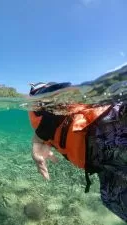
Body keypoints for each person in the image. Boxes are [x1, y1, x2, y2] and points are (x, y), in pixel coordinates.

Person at [27, 82, 127, 222]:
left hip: (105, 125)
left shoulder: (40, 100)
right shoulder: (39, 118)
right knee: (112, 199)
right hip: (100, 162)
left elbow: (62, 91)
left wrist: (39, 138)